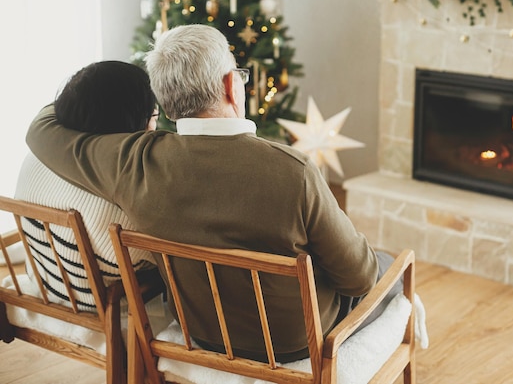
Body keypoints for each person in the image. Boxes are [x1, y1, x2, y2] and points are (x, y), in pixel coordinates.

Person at [26, 24, 395, 362]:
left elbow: (42, 128)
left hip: (200, 333)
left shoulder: (135, 163)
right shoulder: (294, 171)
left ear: (166, 102)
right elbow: (359, 278)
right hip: (294, 342)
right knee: (385, 265)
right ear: (230, 86)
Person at [15, 60, 159, 311]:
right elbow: (155, 259)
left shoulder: (36, 156)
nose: (154, 127)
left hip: (44, 278)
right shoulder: (115, 206)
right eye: (153, 117)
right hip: (92, 301)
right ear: (128, 124)